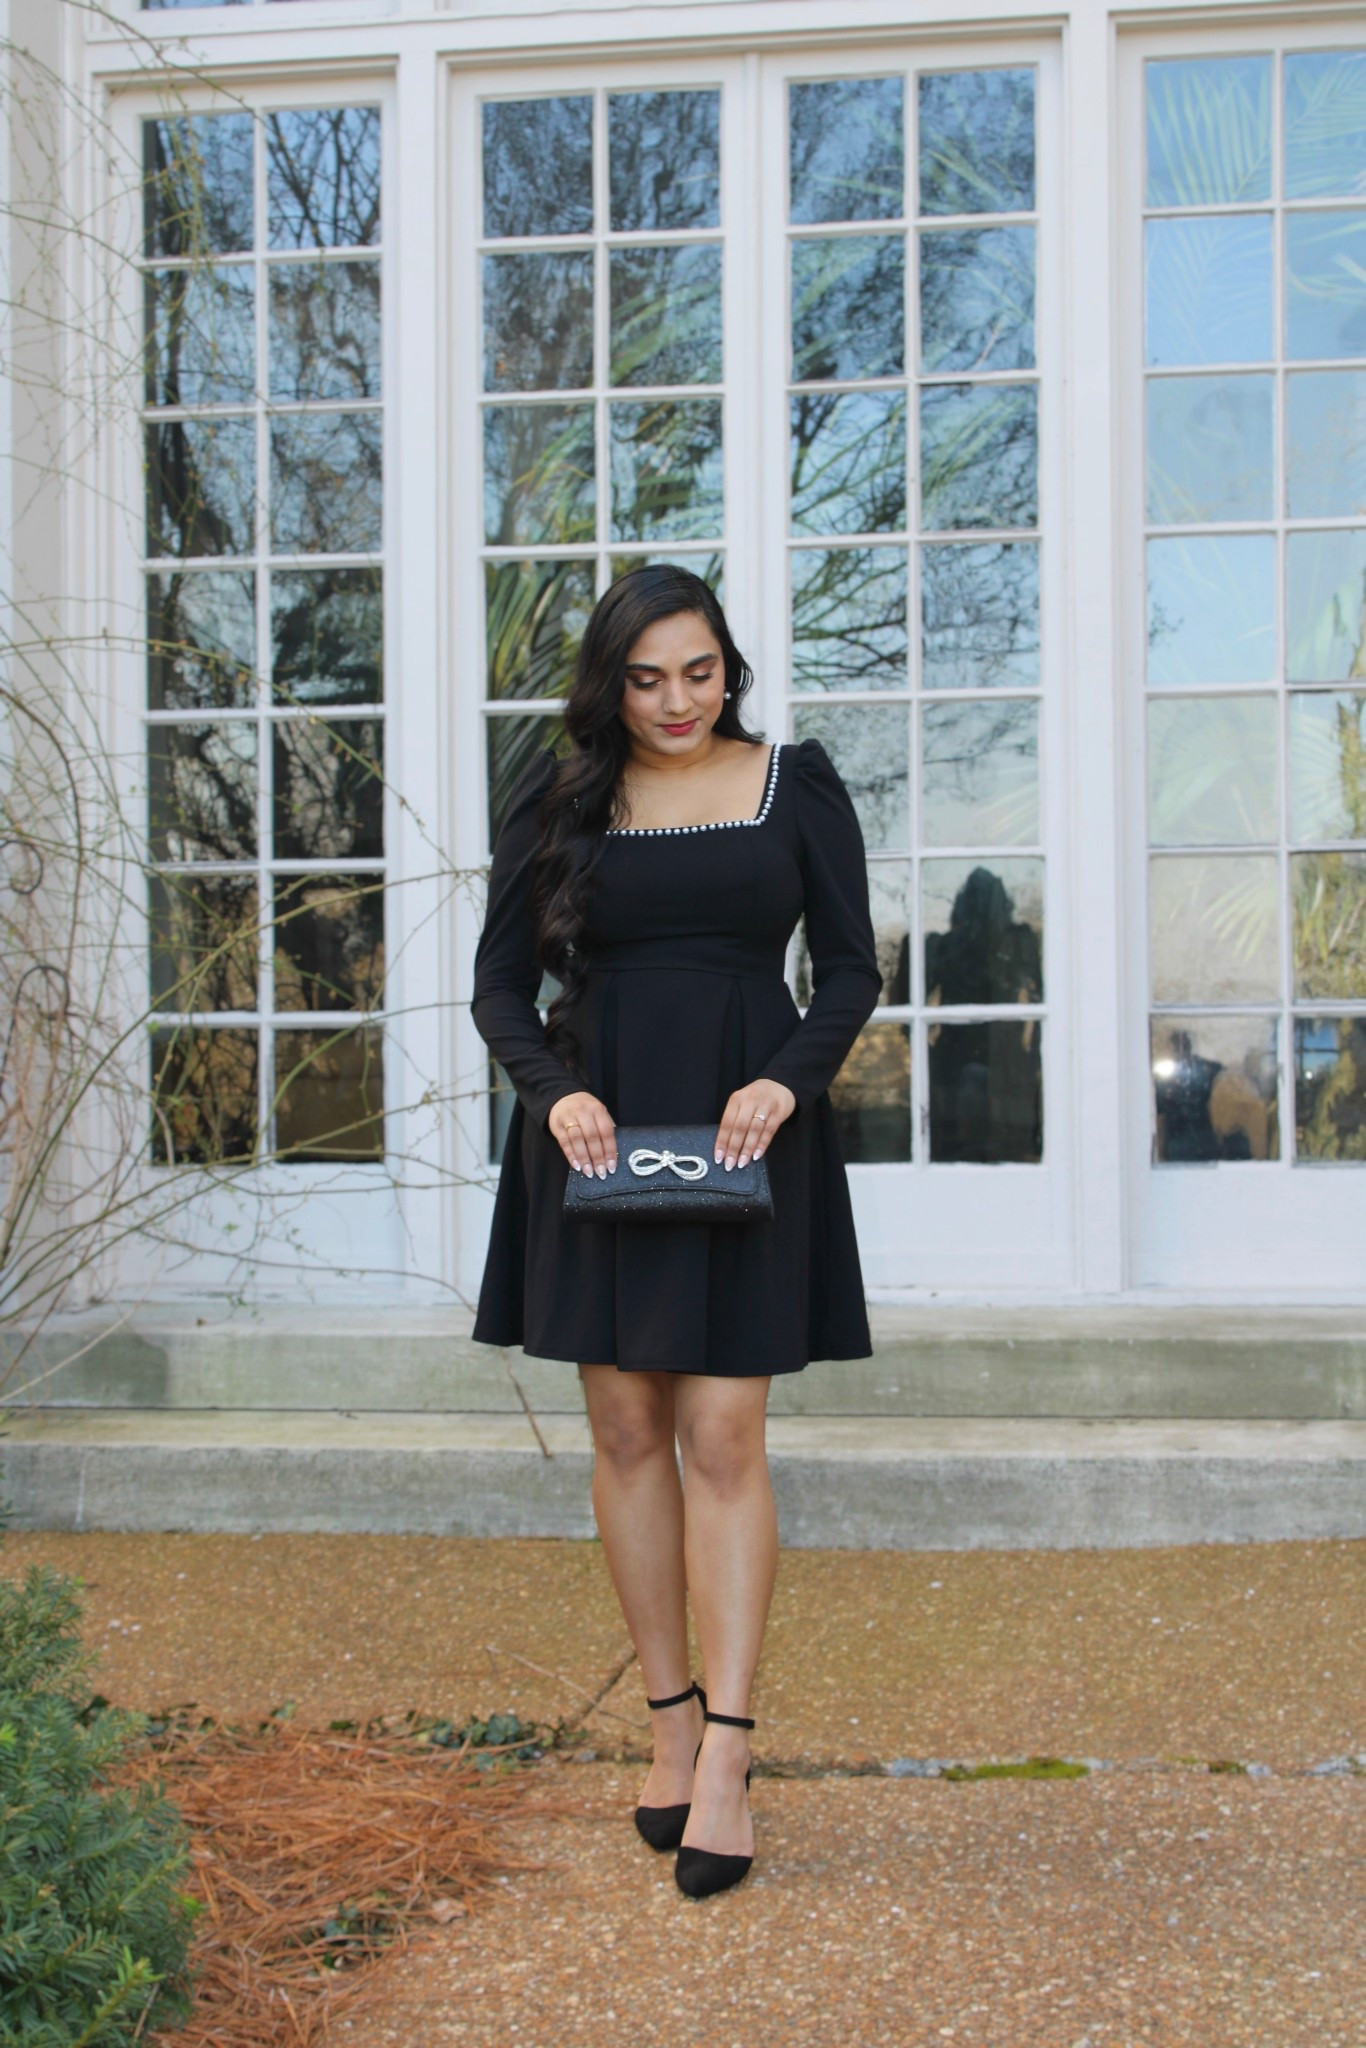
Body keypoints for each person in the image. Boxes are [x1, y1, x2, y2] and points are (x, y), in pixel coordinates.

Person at [469, 564, 881, 1898]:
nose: (676, 701)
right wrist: (557, 1095)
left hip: (749, 1130)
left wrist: (789, 1078)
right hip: (598, 1133)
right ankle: (664, 1720)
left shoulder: (792, 782)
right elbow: (497, 990)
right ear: (611, 683)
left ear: (727, 664)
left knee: (720, 1431)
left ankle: (730, 1753)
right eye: (645, 678)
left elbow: (853, 964)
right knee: (627, 1430)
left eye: (698, 671)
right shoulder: (557, 794)